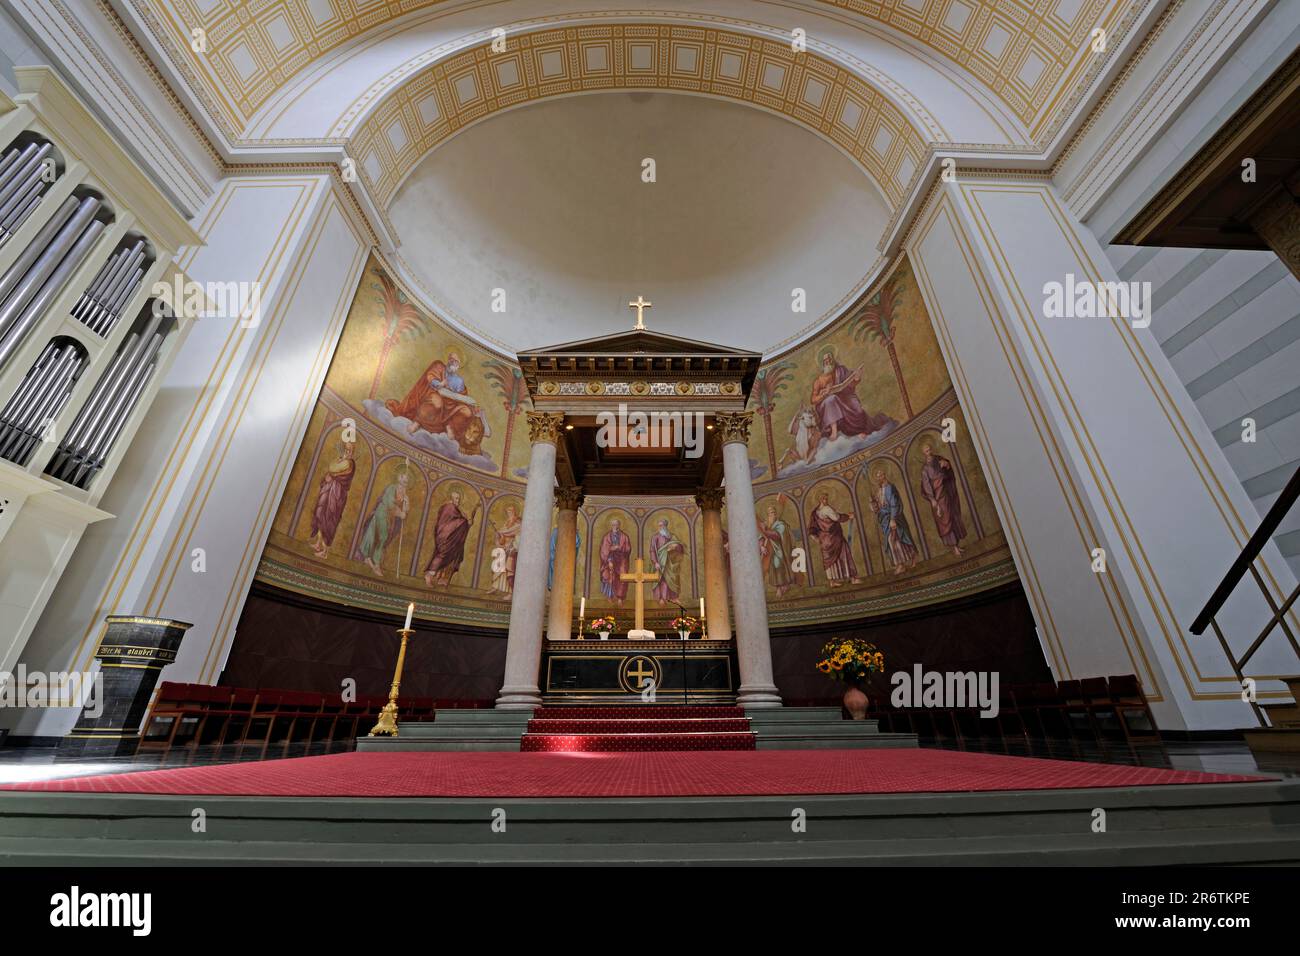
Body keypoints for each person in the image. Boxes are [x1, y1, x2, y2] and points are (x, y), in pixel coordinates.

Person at [919, 442, 967, 556]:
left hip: (947, 492)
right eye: (926, 451)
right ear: (923, 453)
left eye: (929, 449)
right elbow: (926, 486)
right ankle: (954, 547)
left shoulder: (939, 458)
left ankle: (957, 546)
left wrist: (947, 465)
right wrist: (933, 500)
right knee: (945, 520)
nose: (929, 452)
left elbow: (948, 470)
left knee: (952, 516)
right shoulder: (925, 469)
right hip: (938, 496)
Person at [807, 492, 861, 586]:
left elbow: (811, 529)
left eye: (826, 499)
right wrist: (848, 516)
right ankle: (852, 578)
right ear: (821, 499)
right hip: (835, 538)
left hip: (824, 540)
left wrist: (815, 538)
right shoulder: (827, 509)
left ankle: (832, 582)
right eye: (825, 499)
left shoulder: (814, 513)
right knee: (845, 554)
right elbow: (837, 518)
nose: (826, 501)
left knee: (828, 560)